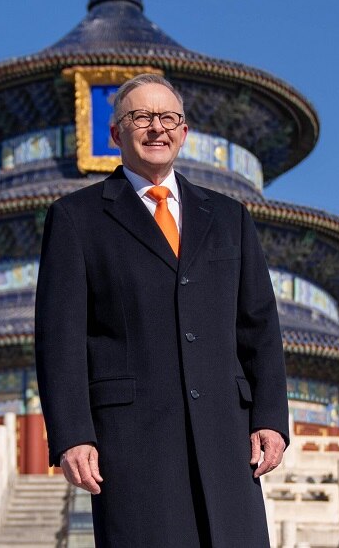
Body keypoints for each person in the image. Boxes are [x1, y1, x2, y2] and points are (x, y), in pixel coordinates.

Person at [35, 74, 288, 547]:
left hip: (226, 438)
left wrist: (270, 418)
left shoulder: (229, 216)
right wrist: (72, 434)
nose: (157, 128)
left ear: (184, 132)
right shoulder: (77, 217)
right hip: (132, 440)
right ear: (115, 135)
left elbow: (259, 327)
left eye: (168, 118)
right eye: (141, 118)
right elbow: (60, 339)